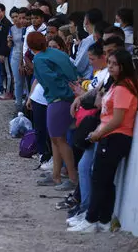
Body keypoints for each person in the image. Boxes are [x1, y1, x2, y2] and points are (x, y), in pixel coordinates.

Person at [68, 49, 138, 233]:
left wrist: (98, 133)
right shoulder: (117, 85)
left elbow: (117, 119)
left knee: (99, 179)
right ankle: (104, 219)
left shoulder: (123, 88)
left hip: (114, 137)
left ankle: (91, 219)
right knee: (105, 180)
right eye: (109, 62)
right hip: (110, 136)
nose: (110, 67)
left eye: (114, 64)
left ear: (123, 66)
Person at [27, 32, 79, 191]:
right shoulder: (56, 52)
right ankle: (56, 175)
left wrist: (64, 94)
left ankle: (72, 178)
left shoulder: (39, 59)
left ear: (30, 47)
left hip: (57, 99)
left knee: (59, 140)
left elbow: (50, 81)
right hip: (67, 97)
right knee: (56, 139)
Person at [72, 8, 103, 79]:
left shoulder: (88, 40)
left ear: (86, 21)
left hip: (87, 79)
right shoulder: (95, 37)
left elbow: (79, 66)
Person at [7, 7, 28, 109]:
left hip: (25, 56)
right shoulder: (11, 29)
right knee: (18, 81)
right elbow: (10, 45)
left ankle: (28, 103)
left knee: (27, 82)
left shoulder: (26, 28)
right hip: (15, 56)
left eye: (18, 17)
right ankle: (18, 104)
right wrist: (9, 42)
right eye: (14, 17)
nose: (17, 19)